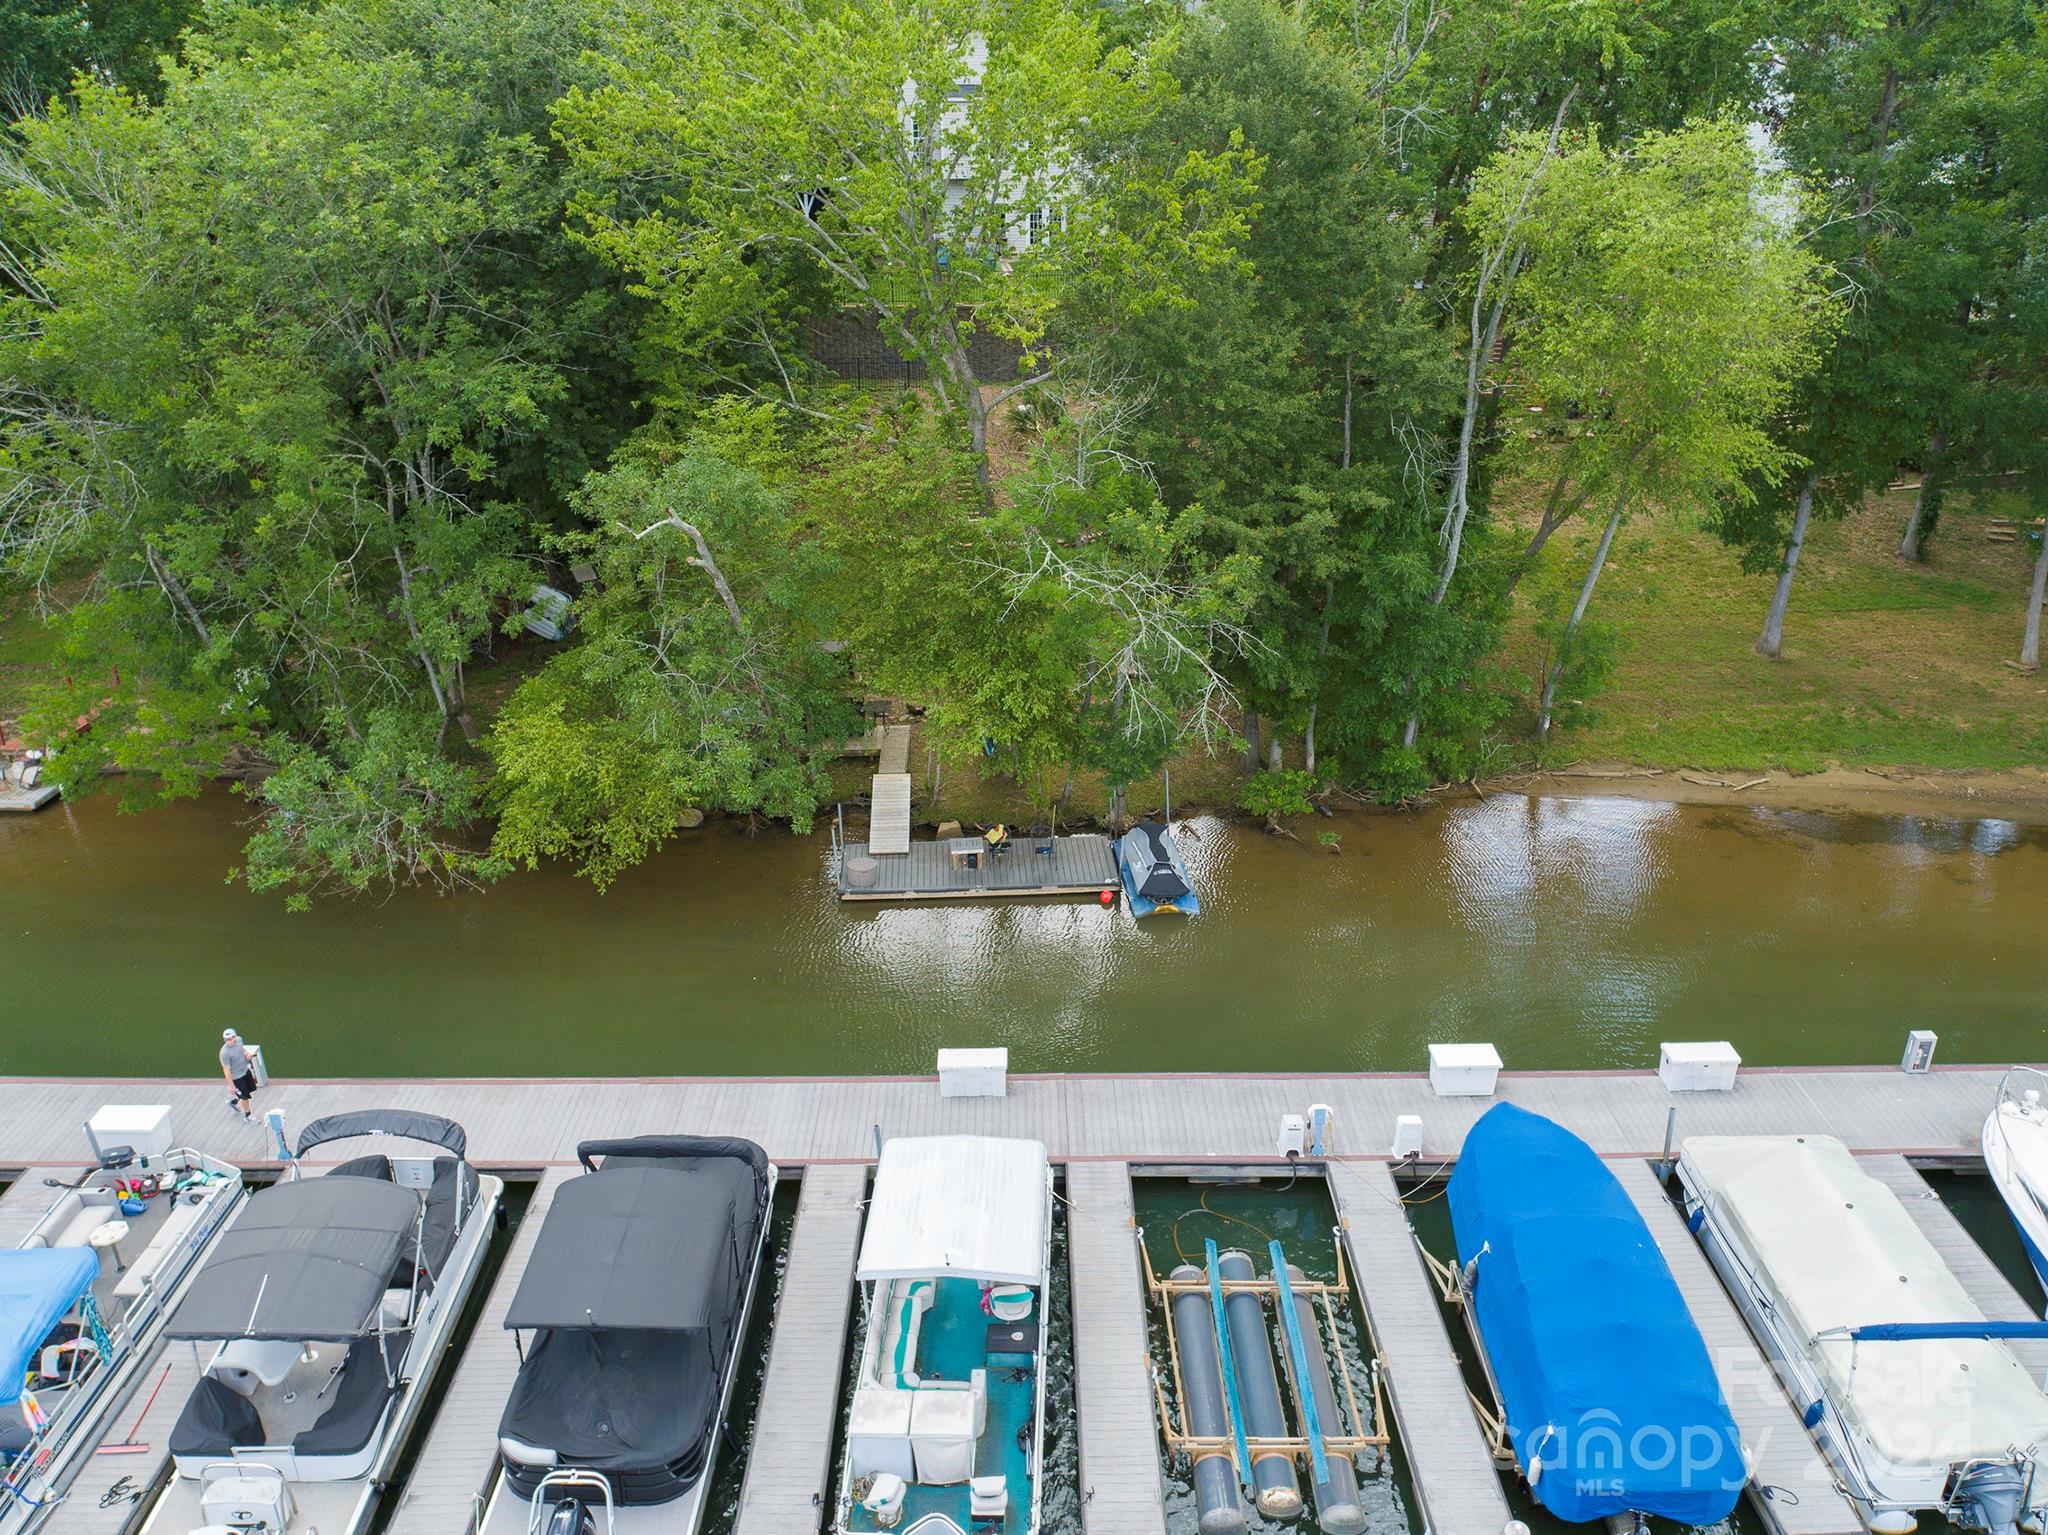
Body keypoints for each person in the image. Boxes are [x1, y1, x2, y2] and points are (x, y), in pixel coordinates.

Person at [220, 1028, 258, 1123]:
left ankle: (233, 1102)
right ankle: (248, 1115)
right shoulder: (224, 1053)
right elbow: (226, 1070)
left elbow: (242, 1049)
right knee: (245, 1097)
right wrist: (231, 1085)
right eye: (226, 1040)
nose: (228, 1041)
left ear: (235, 1037)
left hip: (245, 1071)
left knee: (250, 1089)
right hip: (236, 1077)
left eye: (230, 1039)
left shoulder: (239, 1040)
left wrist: (247, 1054)